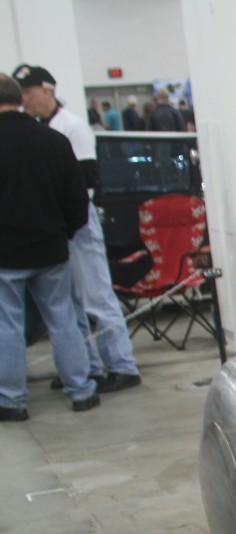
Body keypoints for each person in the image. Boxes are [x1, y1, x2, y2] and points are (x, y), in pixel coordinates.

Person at [12, 64, 140, 394]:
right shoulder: (40, 128)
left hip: (78, 222)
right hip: (56, 226)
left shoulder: (72, 127)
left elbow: (85, 183)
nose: (24, 100)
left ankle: (122, 364)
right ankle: (85, 366)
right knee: (69, 304)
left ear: (47, 91)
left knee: (97, 296)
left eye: (28, 92)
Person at [0, 73, 98, 418]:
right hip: (51, 249)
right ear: (20, 99)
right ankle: (81, 391)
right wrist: (64, 233)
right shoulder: (54, 140)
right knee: (63, 320)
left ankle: (11, 400)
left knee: (7, 326)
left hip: (5, 254)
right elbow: (77, 198)